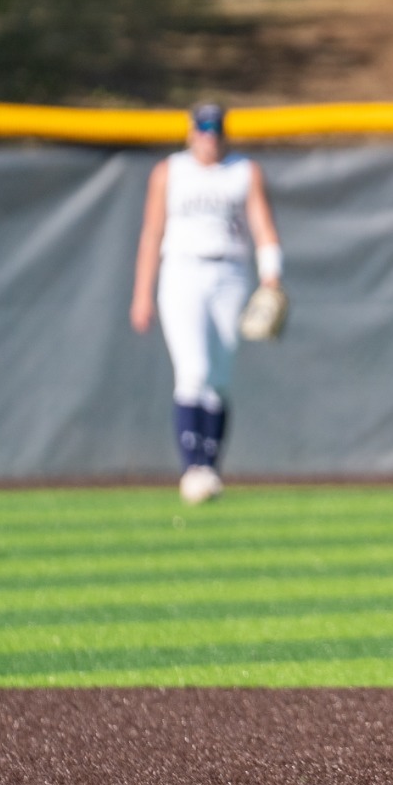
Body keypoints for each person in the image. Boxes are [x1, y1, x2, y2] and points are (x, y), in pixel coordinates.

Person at [129, 104, 284, 506]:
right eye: (202, 128)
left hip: (229, 273)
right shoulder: (170, 171)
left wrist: (271, 277)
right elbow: (151, 233)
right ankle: (192, 468)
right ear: (190, 132)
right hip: (181, 272)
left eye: (214, 128)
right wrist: (142, 292)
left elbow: (262, 226)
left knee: (219, 378)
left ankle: (210, 468)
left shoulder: (243, 171)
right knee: (193, 370)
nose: (208, 136)